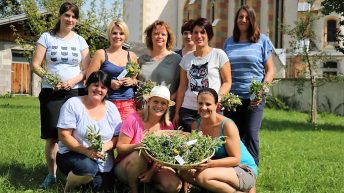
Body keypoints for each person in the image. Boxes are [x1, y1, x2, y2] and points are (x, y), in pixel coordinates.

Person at [31, 2, 90, 189]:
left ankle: (76, 172)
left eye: (73, 16)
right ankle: (52, 175)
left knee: (76, 134)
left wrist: (72, 82)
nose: (70, 19)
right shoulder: (47, 37)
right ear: (60, 16)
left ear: (77, 20)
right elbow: (36, 65)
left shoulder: (80, 40)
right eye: (67, 15)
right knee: (52, 136)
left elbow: (86, 69)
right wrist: (51, 78)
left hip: (75, 91)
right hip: (52, 92)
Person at [223, 5, 275, 167]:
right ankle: (235, 166)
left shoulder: (262, 40)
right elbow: (223, 70)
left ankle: (252, 169)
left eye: (246, 17)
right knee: (234, 134)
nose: (243, 20)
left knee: (251, 133)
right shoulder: (229, 42)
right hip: (232, 98)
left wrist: (260, 92)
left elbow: (271, 70)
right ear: (236, 20)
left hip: (254, 97)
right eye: (240, 17)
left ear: (252, 20)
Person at [180, 88, 257, 193]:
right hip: (219, 168)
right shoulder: (196, 125)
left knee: (203, 177)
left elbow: (236, 159)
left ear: (216, 105)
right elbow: (196, 152)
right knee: (184, 172)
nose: (203, 107)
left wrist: (210, 164)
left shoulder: (227, 125)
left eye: (208, 104)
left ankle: (242, 189)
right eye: (200, 103)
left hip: (242, 168)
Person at [56, 70, 122, 192]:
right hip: (73, 153)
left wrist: (104, 147)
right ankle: (69, 186)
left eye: (103, 87)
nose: (99, 89)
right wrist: (86, 151)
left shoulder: (112, 108)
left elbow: (117, 136)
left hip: (102, 159)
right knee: (87, 167)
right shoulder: (73, 104)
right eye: (95, 85)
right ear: (88, 86)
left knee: (104, 189)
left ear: (107, 91)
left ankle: (85, 182)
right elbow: (64, 135)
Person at [114, 85, 182, 193]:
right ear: (148, 101)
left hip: (153, 167)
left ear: (167, 106)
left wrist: (152, 171)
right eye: (155, 101)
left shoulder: (168, 126)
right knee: (139, 154)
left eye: (163, 103)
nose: (159, 106)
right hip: (126, 166)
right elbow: (120, 148)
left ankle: (150, 187)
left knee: (173, 185)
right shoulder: (133, 119)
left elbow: (165, 155)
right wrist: (138, 146)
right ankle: (133, 189)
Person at [173, 17, 231, 132]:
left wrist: (218, 98)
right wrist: (177, 113)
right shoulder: (186, 59)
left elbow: (227, 81)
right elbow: (182, 86)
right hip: (188, 110)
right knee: (188, 145)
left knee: (211, 145)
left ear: (208, 34)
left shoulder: (219, 54)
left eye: (202, 32)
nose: (199, 36)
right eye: (195, 32)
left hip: (211, 109)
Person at [86, 19, 138, 120]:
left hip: (128, 104)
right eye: (114, 33)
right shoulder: (101, 54)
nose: (118, 36)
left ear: (125, 36)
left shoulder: (132, 56)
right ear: (109, 35)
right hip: (106, 102)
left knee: (126, 134)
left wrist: (132, 81)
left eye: (121, 33)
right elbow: (89, 78)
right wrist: (109, 82)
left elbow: (135, 79)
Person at [138, 20, 181, 117]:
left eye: (163, 34)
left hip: (166, 112)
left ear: (168, 37)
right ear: (150, 37)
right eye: (156, 34)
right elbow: (136, 83)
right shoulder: (141, 59)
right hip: (144, 111)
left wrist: (166, 101)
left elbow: (182, 86)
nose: (159, 37)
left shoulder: (176, 59)